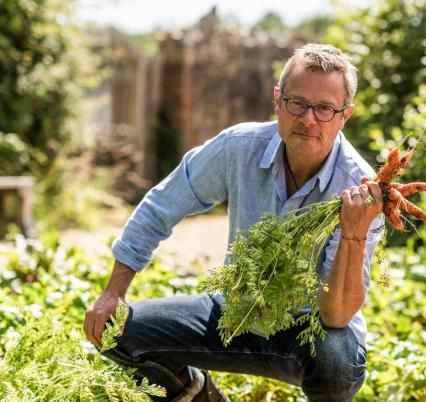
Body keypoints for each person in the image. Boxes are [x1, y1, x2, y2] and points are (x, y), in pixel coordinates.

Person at [83, 43, 384, 402]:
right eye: (297, 103)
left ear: (344, 115)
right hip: (235, 315)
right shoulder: (239, 147)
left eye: (324, 109)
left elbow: (337, 316)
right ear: (278, 100)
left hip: (310, 332)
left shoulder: (361, 190)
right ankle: (200, 395)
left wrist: (353, 231)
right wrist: (113, 292)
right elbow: (162, 204)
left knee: (338, 363)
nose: (308, 119)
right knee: (114, 330)